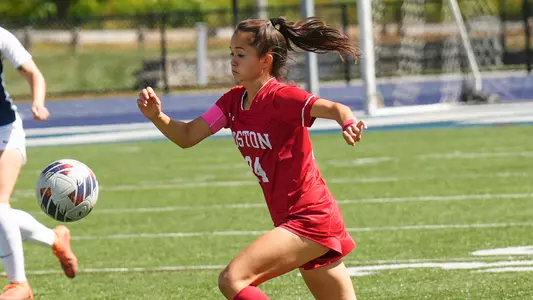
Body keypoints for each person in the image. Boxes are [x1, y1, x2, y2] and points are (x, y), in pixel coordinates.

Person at [137, 16, 366, 300]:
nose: (233, 61)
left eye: (241, 54)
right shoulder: (232, 102)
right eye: (231, 53)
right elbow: (187, 136)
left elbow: (334, 107)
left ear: (265, 61)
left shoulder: (282, 97)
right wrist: (157, 116)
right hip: (295, 220)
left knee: (232, 280)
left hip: (310, 218)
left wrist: (348, 123)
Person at [0, 26, 78, 299]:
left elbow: (34, 73)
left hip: (5, 131)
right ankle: (55, 240)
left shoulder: (1, 36)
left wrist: (38, 102)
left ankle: (19, 284)